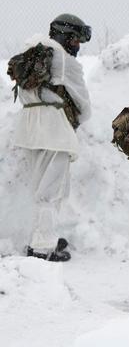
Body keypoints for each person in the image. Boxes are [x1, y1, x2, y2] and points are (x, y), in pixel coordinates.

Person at [12, 14, 92, 262]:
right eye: (76, 40)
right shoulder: (66, 61)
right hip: (54, 130)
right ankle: (43, 248)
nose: (77, 46)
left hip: (28, 126)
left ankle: (41, 237)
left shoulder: (31, 49)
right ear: (66, 37)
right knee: (52, 193)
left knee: (39, 190)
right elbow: (84, 106)